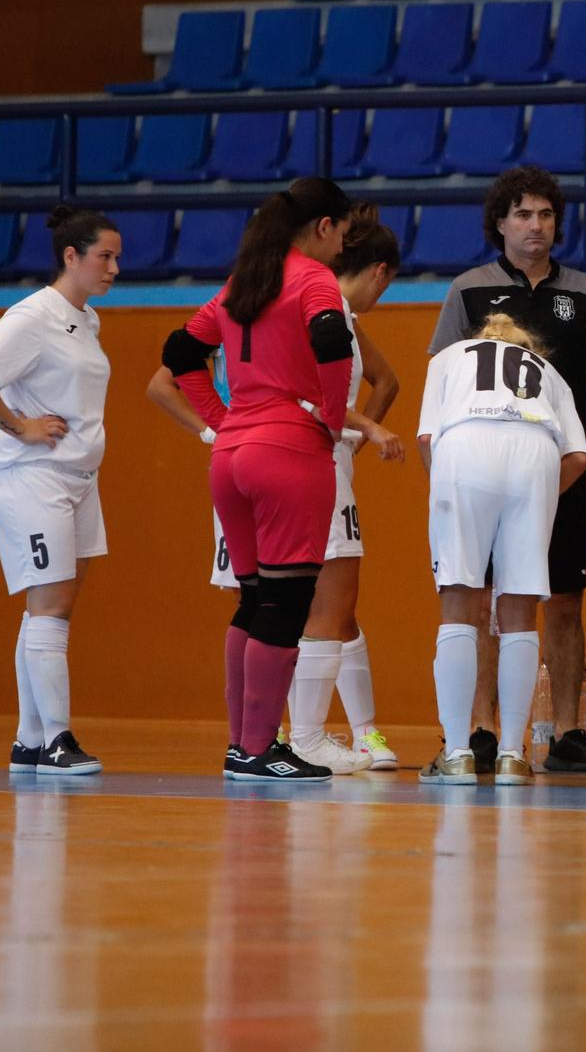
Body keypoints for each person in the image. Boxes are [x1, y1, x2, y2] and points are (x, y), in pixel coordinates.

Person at [146, 207, 407, 774]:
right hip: (290, 456)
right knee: (301, 606)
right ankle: (287, 741)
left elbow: (178, 353)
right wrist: (343, 421)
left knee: (270, 603)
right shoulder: (313, 290)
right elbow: (312, 375)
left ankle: (264, 742)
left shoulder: (250, 287)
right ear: (321, 229)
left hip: (244, 453)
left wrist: (224, 424)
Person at [428, 167, 586, 776]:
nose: (535, 225)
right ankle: (487, 729)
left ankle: (568, 730)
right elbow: (444, 376)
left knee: (565, 597)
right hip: (490, 469)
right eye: (522, 215)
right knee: (485, 595)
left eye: (544, 214)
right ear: (499, 224)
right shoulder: (468, 290)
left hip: (560, 462)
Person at [0, 206, 121, 777]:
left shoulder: (87, 319)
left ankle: (29, 738)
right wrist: (19, 426)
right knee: (50, 607)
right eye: (104, 256)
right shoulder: (33, 316)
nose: (114, 268)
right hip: (32, 477)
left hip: (77, 479)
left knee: (51, 607)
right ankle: (57, 739)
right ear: (70, 257)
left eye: (116, 257)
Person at [415, 315, 586, 785]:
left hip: (466, 446)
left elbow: (429, 439)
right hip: (535, 454)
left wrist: (451, 496)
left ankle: (457, 753)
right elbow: (578, 456)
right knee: (519, 610)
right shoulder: (547, 371)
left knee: (457, 603)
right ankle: (514, 754)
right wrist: (539, 498)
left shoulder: (450, 357)